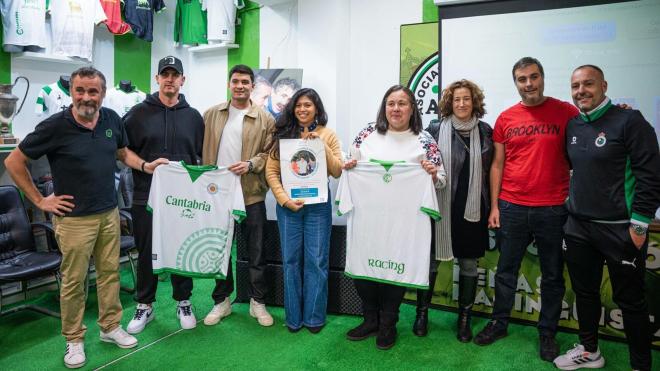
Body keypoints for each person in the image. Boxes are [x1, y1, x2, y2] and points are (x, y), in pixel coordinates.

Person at [4, 66, 167, 369]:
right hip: (74, 220)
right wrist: (39, 200)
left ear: (103, 94)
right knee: (74, 282)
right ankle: (74, 340)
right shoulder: (55, 126)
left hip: (108, 213)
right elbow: (15, 161)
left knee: (110, 275)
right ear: (72, 92)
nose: (86, 97)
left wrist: (145, 166)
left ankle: (109, 328)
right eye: (80, 91)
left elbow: (122, 153)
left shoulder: (111, 120)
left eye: (93, 91)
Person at [554, 65, 660, 371]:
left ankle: (640, 365)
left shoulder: (630, 121)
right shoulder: (573, 126)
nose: (581, 91)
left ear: (604, 85)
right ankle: (590, 351)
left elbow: (651, 177)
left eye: (588, 84)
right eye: (575, 86)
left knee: (631, 303)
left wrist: (639, 226)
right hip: (578, 228)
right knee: (584, 293)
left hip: (620, 231)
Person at [473, 57, 579, 362]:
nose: (528, 84)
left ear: (543, 78)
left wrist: (619, 112)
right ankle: (499, 322)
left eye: (533, 77)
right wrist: (494, 205)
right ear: (516, 83)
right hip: (512, 205)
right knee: (506, 271)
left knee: (552, 276)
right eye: (522, 79)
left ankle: (547, 332)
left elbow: (591, 126)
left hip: (553, 208)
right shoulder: (506, 118)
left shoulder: (566, 112)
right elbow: (497, 164)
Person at [343, 85, 445, 350]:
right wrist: (349, 165)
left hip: (404, 224)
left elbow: (441, 179)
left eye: (402, 103)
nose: (396, 109)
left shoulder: (424, 140)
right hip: (367, 220)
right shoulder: (367, 134)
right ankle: (370, 320)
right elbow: (349, 162)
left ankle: (388, 323)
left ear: (412, 108)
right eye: (391, 103)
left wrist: (433, 173)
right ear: (384, 107)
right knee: (362, 270)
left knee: (395, 269)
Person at [123, 56, 205, 334]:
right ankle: (145, 305)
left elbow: (200, 157)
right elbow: (122, 151)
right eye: (164, 74)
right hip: (146, 196)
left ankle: (183, 301)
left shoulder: (194, 117)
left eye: (175, 74)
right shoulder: (137, 114)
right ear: (157, 79)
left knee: (182, 248)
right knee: (147, 251)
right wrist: (145, 165)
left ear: (183, 80)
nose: (170, 79)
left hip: (183, 199)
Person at [201, 64, 276, 327]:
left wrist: (251, 164)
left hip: (251, 194)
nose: (240, 86)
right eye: (236, 81)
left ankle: (258, 302)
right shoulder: (211, 114)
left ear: (252, 86)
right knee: (219, 251)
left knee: (256, 251)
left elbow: (270, 154)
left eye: (245, 81)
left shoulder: (266, 119)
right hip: (217, 195)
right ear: (229, 84)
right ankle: (222, 301)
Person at [265, 88, 343, 333]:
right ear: (293, 108)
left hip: (318, 209)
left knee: (317, 262)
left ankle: (314, 317)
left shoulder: (328, 135)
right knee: (290, 262)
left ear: (316, 109)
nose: (302, 109)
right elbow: (271, 172)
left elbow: (338, 170)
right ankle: (294, 318)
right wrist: (284, 200)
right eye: (298, 105)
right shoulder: (283, 134)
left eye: (308, 105)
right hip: (289, 209)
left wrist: (321, 146)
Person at [421, 79, 493, 341]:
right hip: (440, 205)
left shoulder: (486, 131)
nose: (461, 104)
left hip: (472, 207)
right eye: (456, 99)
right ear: (449, 103)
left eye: (467, 99)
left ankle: (465, 319)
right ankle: (422, 312)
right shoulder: (433, 128)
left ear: (475, 102)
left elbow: (493, 171)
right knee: (430, 262)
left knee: (469, 264)